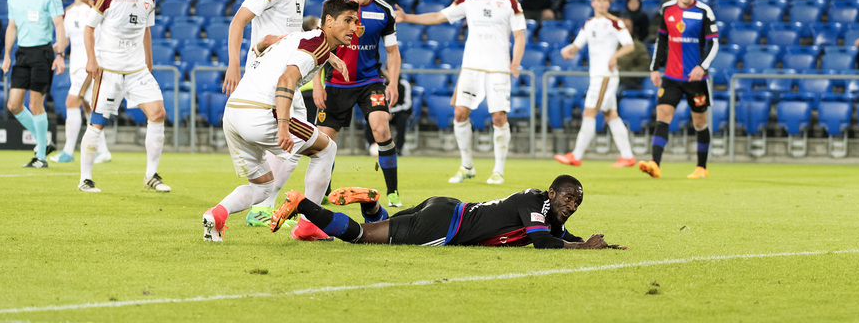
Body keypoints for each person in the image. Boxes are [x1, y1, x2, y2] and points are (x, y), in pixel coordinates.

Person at [202, 0, 359, 243]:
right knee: (327, 148)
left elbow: (264, 42)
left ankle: (217, 214)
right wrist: (284, 126)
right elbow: (287, 80)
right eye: (348, 20)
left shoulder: (298, 38)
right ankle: (308, 226)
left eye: (356, 22)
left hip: (233, 112)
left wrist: (330, 56)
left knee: (262, 187)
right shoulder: (316, 45)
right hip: (263, 112)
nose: (353, 28)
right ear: (328, 21)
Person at [395, 0, 526, 185]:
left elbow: (519, 35)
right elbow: (438, 16)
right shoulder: (469, 0)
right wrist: (407, 17)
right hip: (471, 67)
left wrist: (515, 62)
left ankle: (498, 170)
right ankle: (467, 166)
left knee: (498, 117)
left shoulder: (510, 3)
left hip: (498, 69)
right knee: (459, 114)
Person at [267, 174, 623, 249]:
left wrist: (592, 242)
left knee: (381, 225)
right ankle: (302, 203)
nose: (571, 206)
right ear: (552, 193)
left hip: (446, 205)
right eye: (568, 199)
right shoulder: (536, 204)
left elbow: (558, 235)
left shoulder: (543, 209)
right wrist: (582, 248)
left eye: (576, 203)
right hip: (445, 225)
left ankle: (371, 202)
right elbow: (544, 243)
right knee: (362, 238)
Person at [221, 0, 308, 224]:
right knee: (303, 139)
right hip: (269, 75)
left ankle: (265, 205)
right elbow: (238, 21)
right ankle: (266, 205)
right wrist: (233, 64)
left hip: (288, 73)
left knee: (298, 140)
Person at [77, 0, 167, 193]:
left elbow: (146, 30)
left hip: (138, 70)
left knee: (158, 113)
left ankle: (151, 175)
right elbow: (89, 28)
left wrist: (148, 61)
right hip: (109, 70)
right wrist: (91, 60)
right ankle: (85, 179)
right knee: (98, 122)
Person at [314, 0, 403, 206]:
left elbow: (393, 52)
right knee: (325, 141)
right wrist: (318, 84)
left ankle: (393, 192)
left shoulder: (384, 10)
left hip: (369, 81)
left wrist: (393, 83)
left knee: (382, 128)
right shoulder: (333, 6)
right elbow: (318, 47)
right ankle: (324, 192)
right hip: (335, 83)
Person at [642, 0, 718, 180]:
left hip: (696, 79)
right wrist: (655, 68)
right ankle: (655, 164)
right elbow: (661, 41)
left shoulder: (704, 11)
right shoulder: (667, 9)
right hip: (672, 77)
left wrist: (702, 67)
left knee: (699, 122)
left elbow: (713, 43)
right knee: (662, 117)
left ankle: (701, 167)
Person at [555, 0, 637, 168]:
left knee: (589, 112)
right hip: (597, 76)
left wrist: (615, 56)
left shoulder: (615, 23)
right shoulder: (589, 24)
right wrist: (568, 50)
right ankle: (627, 156)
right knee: (610, 115)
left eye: (604, 0)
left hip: (605, 76)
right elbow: (577, 45)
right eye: (598, 0)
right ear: (592, 3)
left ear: (609, 3)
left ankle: (576, 155)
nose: (601, 3)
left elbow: (629, 45)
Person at [2, 0, 65, 168]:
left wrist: (59, 55)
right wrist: (7, 55)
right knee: (14, 104)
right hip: (22, 53)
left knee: (35, 104)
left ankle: (41, 157)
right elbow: (12, 26)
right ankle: (43, 142)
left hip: (43, 52)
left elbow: (59, 26)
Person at [50, 0, 112, 164]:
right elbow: (65, 39)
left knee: (71, 102)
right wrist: (55, 49)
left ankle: (68, 151)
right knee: (89, 107)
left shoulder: (95, 10)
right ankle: (103, 151)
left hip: (91, 66)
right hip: (75, 66)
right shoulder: (68, 12)